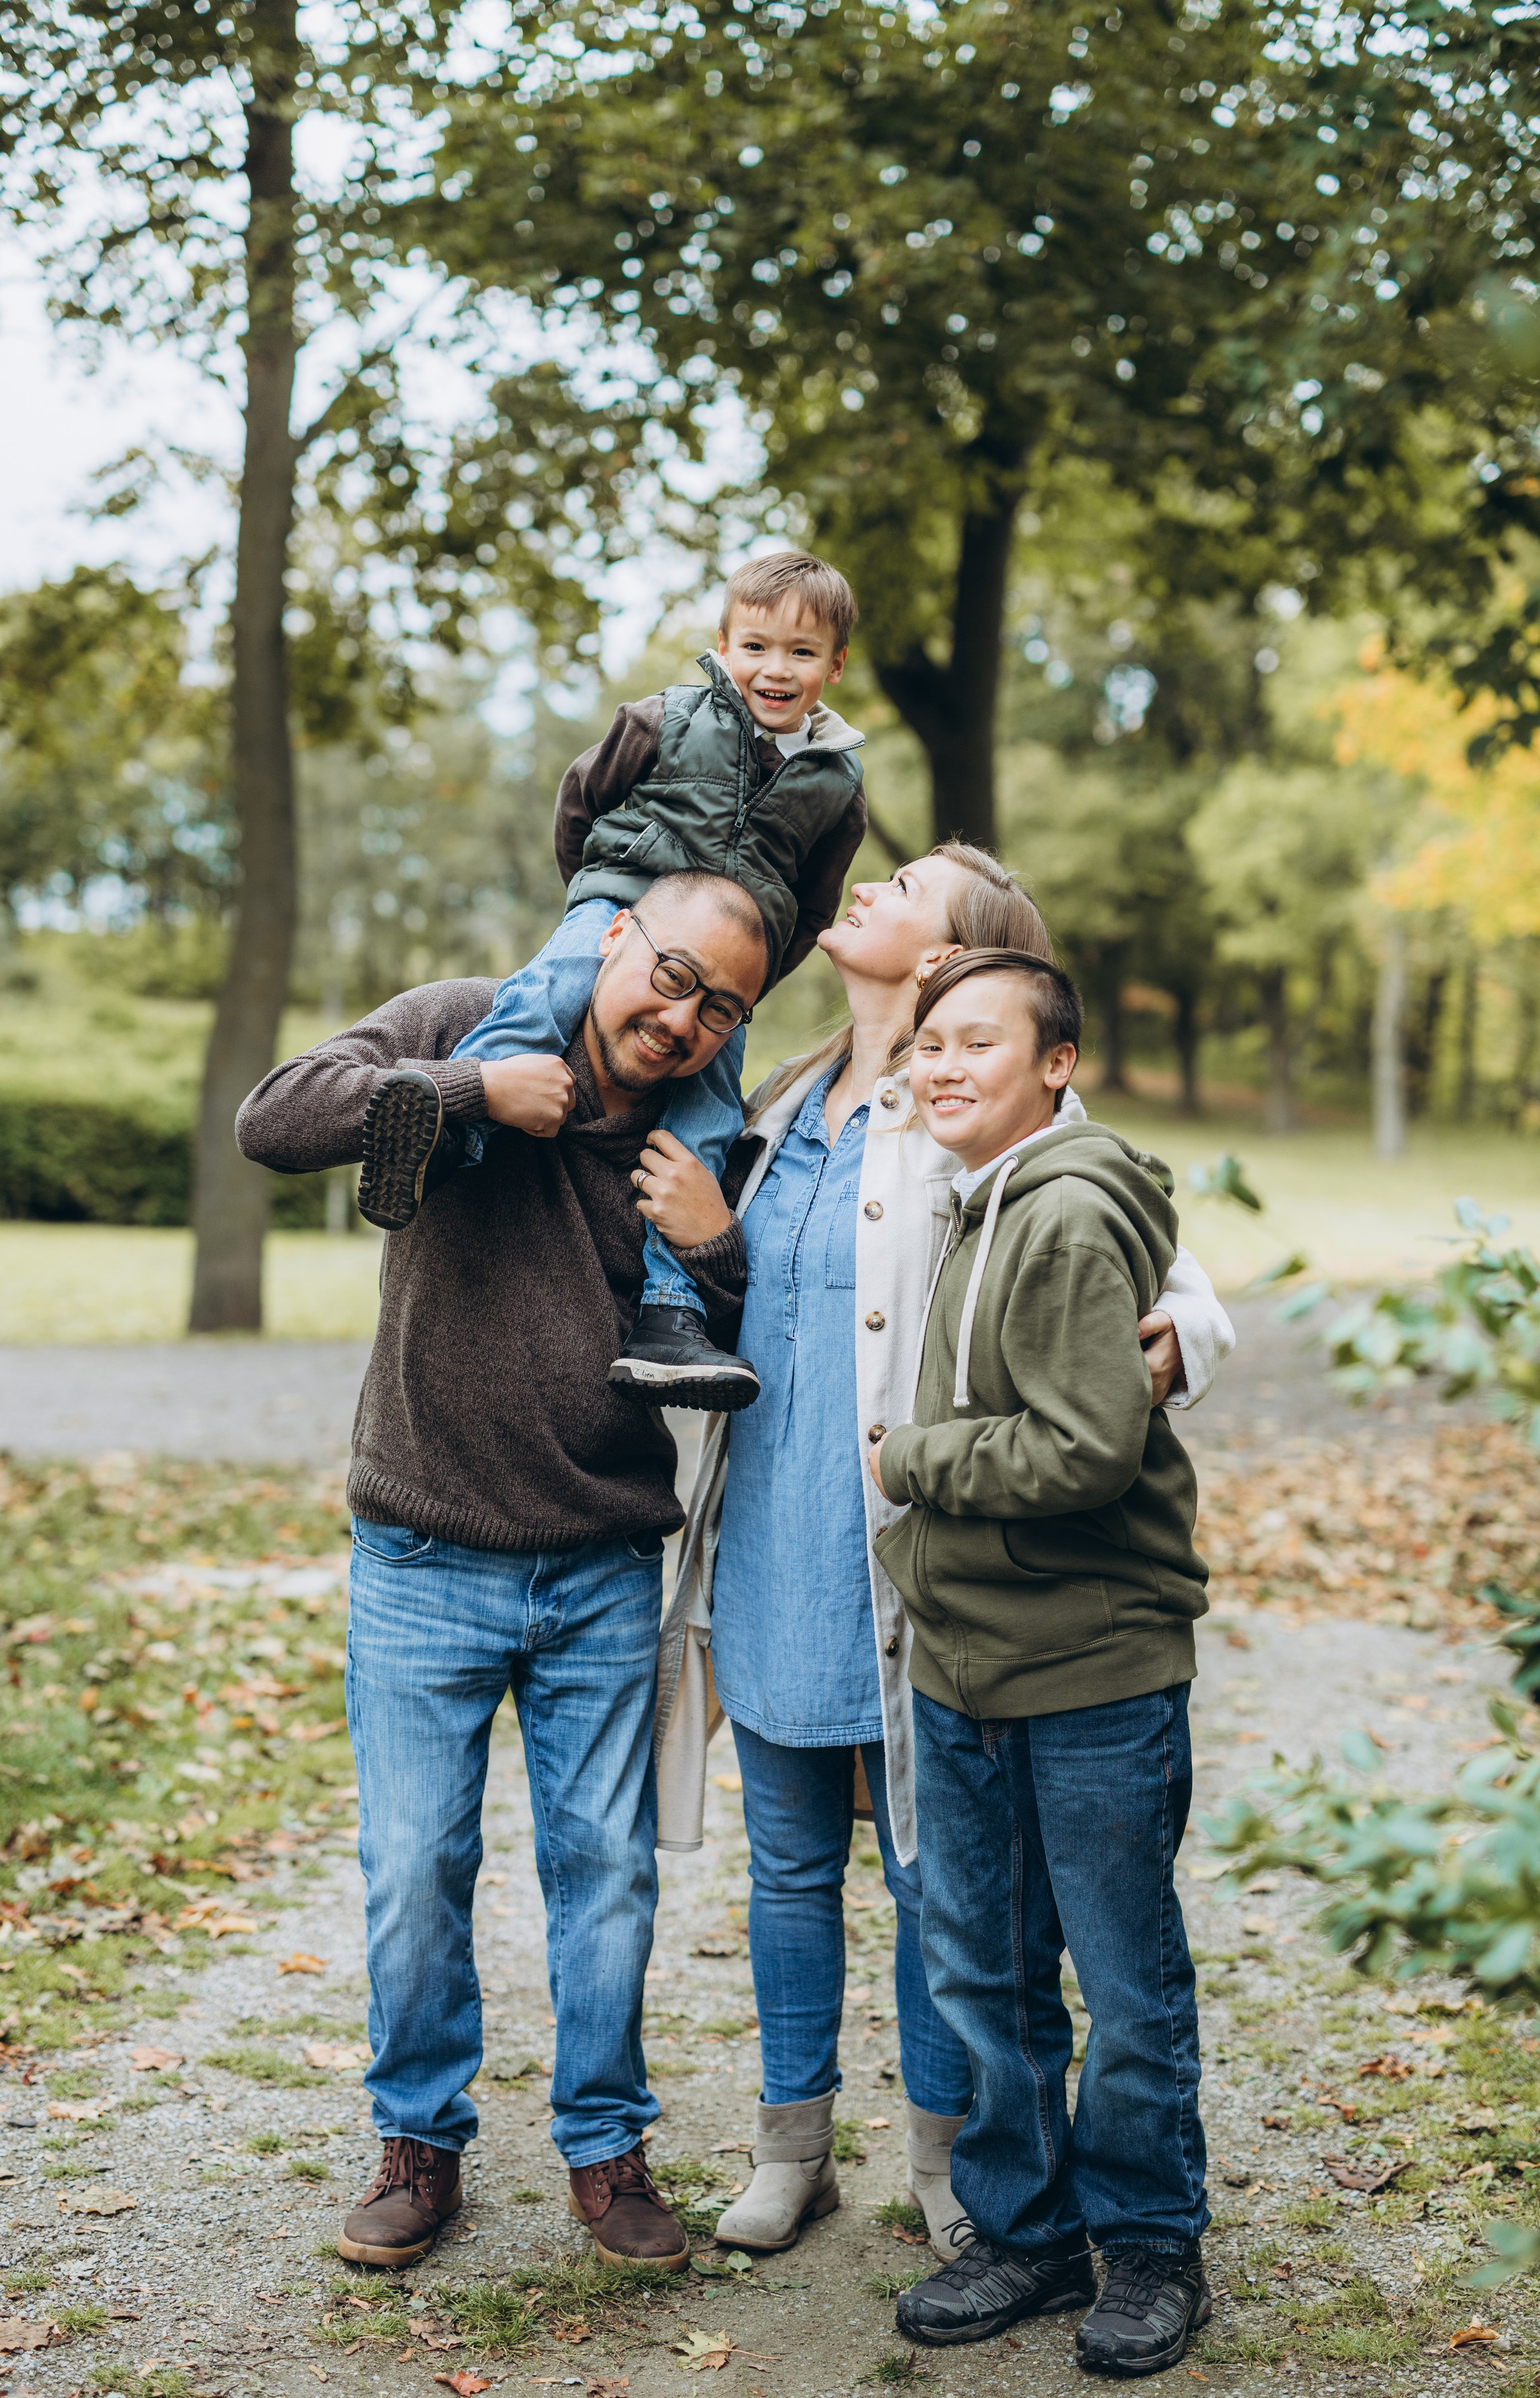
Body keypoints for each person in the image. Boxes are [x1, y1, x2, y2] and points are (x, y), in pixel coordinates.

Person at [643, 848, 1232, 2262]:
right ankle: (792, 2146)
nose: (864, 886)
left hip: (917, 1541)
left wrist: (1175, 1350)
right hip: (774, 1522)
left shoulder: (984, 1102)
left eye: (905, 883)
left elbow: (1166, 1274)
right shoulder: (777, 1103)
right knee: (785, 1863)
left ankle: (947, 2152)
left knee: (933, 1877)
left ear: (955, 955)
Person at [234, 871, 770, 2276]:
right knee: (415, 1866)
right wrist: (474, 1097)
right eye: (670, 973)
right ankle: (418, 2145)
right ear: (611, 940)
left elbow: (744, 1343)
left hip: (598, 1563)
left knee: (608, 1875)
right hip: (421, 1549)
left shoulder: (701, 1131)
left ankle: (606, 2150)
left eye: (721, 1006)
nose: (682, 1016)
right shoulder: (469, 1020)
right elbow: (275, 1117)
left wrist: (714, 1243)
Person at [870, 947, 1212, 2379]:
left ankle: (1145, 2246)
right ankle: (1021, 2229)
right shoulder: (971, 1198)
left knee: (1122, 1983)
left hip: (1088, 1670)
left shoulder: (1061, 1215)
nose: (941, 1067)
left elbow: (1082, 1449)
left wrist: (911, 1460)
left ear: (1055, 1065)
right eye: (927, 1043)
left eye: (977, 1044)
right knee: (987, 1970)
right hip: (964, 1662)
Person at [353, 549, 869, 1416]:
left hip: (723, 971)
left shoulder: (837, 780)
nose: (775, 670)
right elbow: (581, 800)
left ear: (836, 666)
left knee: (705, 1118)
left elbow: (814, 907)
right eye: (756, 646)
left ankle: (669, 1314)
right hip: (623, 905)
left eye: (802, 653)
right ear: (723, 643)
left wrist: (748, 981)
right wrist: (593, 899)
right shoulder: (666, 718)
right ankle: (453, 1132)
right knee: (543, 997)